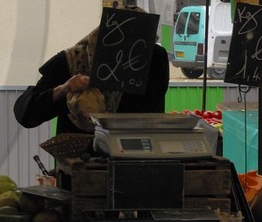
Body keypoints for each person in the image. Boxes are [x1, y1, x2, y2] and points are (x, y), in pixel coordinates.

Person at [13, 24, 170, 137]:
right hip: (80, 168)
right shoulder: (71, 62)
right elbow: (25, 114)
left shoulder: (153, 61)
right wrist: (63, 89)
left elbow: (152, 116)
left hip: (137, 165)